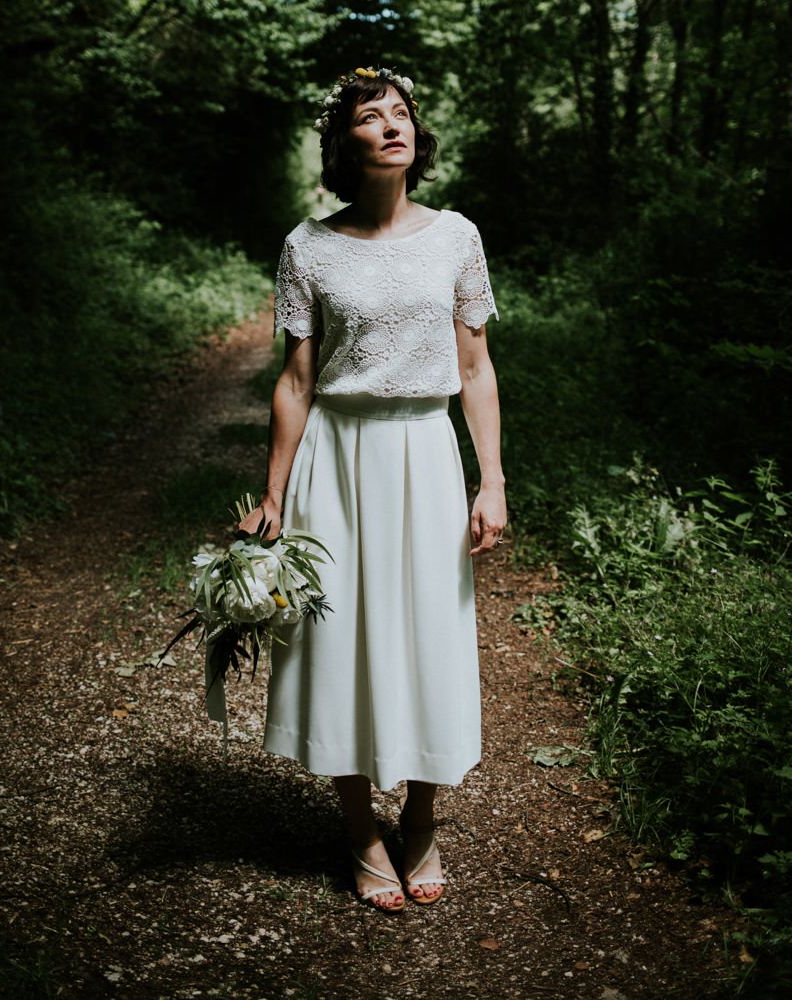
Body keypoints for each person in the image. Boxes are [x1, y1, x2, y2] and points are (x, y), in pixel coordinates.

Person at [237, 65, 506, 913]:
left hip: (425, 454)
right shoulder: (306, 246)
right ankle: (359, 828)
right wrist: (275, 494)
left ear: (415, 136)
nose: (390, 124)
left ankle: (421, 822)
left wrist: (490, 478)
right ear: (344, 142)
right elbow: (295, 379)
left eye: (400, 113)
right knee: (338, 638)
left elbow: (474, 366)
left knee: (431, 631)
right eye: (369, 116)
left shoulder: (456, 236)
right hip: (336, 458)